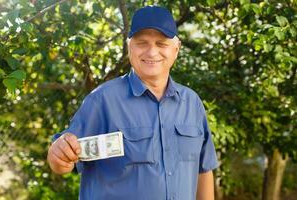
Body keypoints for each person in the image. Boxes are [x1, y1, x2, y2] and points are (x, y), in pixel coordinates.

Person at [47, 5, 218, 200]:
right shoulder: (103, 100)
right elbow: (61, 159)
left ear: (176, 49)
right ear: (130, 47)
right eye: (142, 43)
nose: (152, 52)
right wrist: (58, 153)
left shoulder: (192, 103)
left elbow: (203, 170)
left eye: (161, 44)